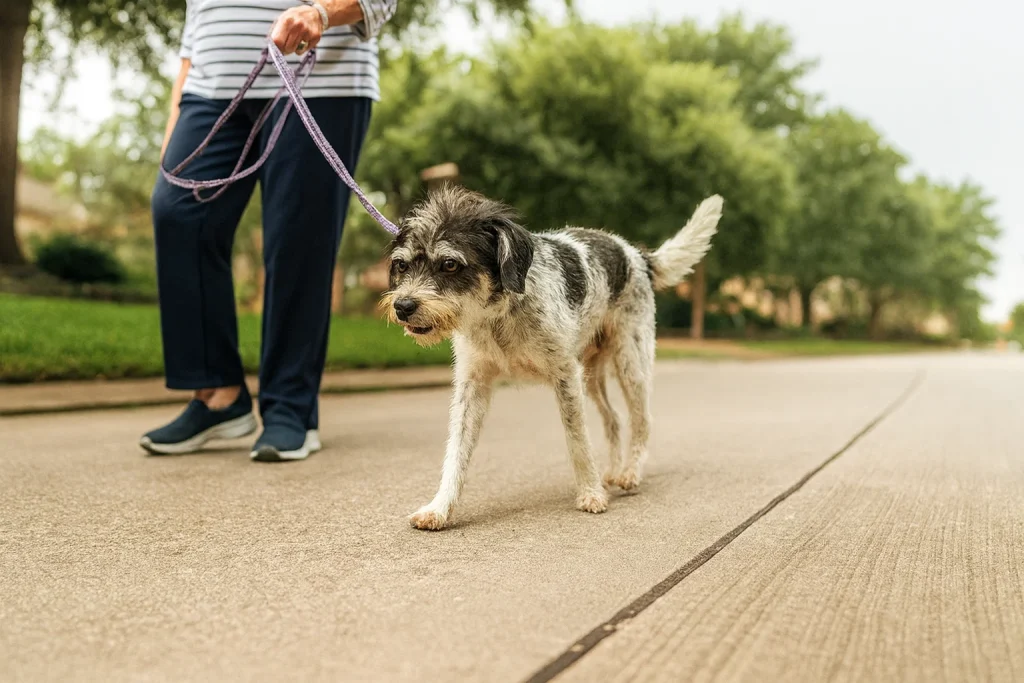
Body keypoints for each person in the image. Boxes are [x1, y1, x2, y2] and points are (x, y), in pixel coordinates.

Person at [141, 0, 397, 462]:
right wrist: (174, 121)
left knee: (297, 241)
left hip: (322, 83)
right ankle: (218, 395)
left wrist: (321, 12)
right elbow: (193, 29)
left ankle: (290, 410)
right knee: (177, 211)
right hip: (209, 87)